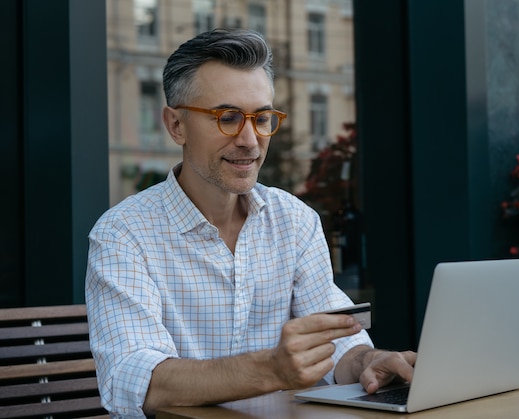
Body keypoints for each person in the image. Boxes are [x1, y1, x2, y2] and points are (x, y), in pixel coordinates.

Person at [85, 28, 416, 418]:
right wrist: (272, 369)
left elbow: (338, 343)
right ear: (176, 125)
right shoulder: (123, 235)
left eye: (261, 118)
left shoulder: (294, 220)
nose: (250, 140)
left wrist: (367, 363)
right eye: (227, 117)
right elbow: (136, 380)